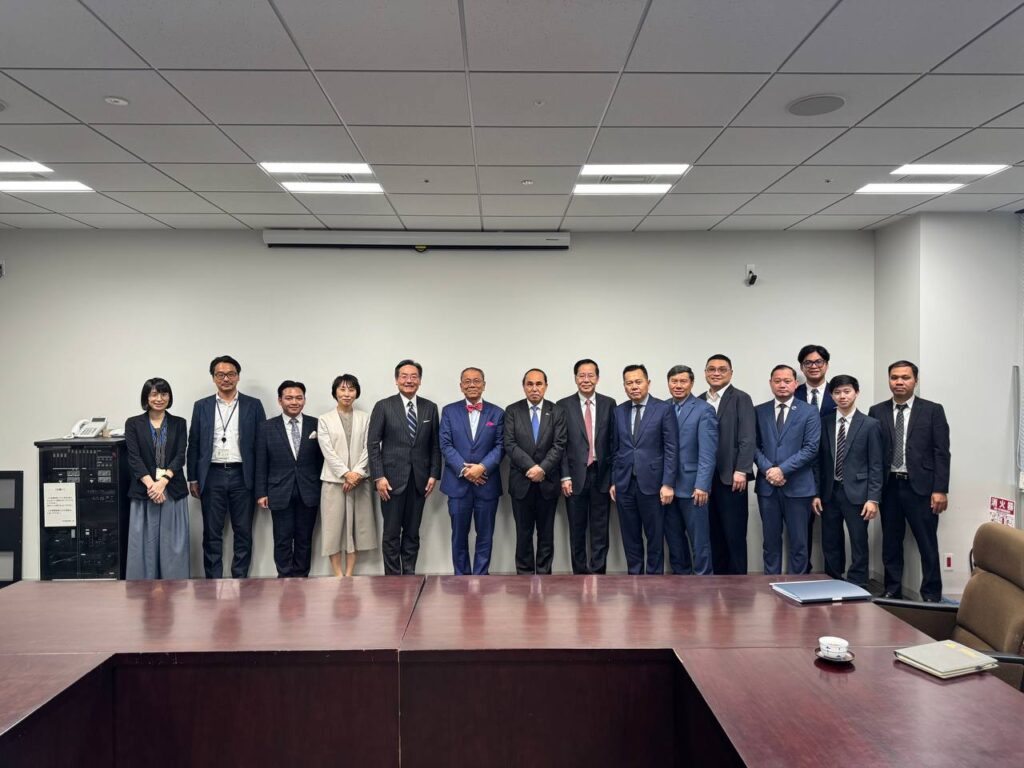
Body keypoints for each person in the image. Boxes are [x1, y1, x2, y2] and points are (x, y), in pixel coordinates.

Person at [868, 361, 950, 601]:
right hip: (889, 486)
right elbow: (873, 453)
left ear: (916, 380)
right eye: (894, 377)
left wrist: (940, 489)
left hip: (921, 488)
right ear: (889, 380)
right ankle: (892, 589)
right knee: (891, 542)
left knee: (927, 543)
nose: (899, 382)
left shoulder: (932, 410)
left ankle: (931, 594)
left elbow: (941, 452)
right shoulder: (877, 411)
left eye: (905, 377)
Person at [186, 355, 266, 579]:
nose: (226, 379)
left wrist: (261, 484)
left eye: (231, 374)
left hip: (243, 475)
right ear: (213, 378)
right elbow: (194, 443)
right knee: (212, 532)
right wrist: (193, 478)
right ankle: (213, 581)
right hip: (212, 475)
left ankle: (240, 579)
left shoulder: (253, 405)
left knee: (243, 531)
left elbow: (261, 446)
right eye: (220, 374)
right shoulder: (201, 406)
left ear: (238, 377)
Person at [368, 359, 442, 575]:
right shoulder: (384, 406)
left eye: (414, 376)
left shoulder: (430, 407)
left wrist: (434, 474)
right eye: (404, 376)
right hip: (390, 481)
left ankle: (409, 576)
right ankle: (393, 579)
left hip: (420, 480)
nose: (409, 380)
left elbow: (435, 445)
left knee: (412, 532)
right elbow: (373, 444)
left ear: (420, 380)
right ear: (396, 380)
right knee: (391, 533)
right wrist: (378, 476)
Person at [811, 375, 883, 589]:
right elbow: (818, 462)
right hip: (829, 492)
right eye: (837, 392)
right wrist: (816, 493)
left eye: (847, 391)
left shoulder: (870, 424)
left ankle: (858, 583)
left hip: (858, 493)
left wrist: (873, 498)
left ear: (856, 393)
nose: (842, 396)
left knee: (858, 541)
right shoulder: (824, 422)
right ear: (831, 395)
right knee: (830, 540)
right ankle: (833, 580)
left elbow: (876, 464)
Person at [610, 364, 677, 575]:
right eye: (629, 383)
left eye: (638, 382)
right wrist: (614, 480)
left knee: (655, 536)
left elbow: (671, 448)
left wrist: (668, 483)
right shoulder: (618, 411)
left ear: (648, 383)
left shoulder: (663, 409)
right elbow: (615, 449)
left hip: (653, 483)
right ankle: (634, 577)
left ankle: (654, 579)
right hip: (624, 483)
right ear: (624, 386)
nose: (634, 387)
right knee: (630, 535)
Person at [754, 364, 820, 575]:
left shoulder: (809, 411)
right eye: (777, 381)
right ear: (770, 383)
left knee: (799, 542)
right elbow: (753, 446)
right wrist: (769, 470)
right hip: (767, 487)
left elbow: (811, 448)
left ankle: (797, 584)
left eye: (787, 381)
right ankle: (770, 582)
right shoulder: (759, 411)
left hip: (798, 486)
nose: (782, 385)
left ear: (796, 383)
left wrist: (781, 470)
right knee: (770, 541)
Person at [439, 367, 505, 575]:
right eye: (467, 381)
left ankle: (481, 577)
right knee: (459, 535)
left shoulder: (497, 413)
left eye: (476, 381)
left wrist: (482, 468)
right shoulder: (449, 411)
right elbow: (445, 445)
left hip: (487, 483)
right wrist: (465, 470)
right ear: (461, 386)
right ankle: (461, 578)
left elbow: (501, 446)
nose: (472, 385)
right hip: (458, 485)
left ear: (484, 385)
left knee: (485, 535)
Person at [255, 380, 323, 578]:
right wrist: (261, 492)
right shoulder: (266, 427)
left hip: (309, 490)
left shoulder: (316, 424)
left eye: (299, 398)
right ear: (280, 400)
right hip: (278, 490)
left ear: (304, 400)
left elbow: (322, 460)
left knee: (304, 538)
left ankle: (301, 577)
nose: (294, 402)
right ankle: (284, 577)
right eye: (289, 398)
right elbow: (261, 461)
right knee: (282, 539)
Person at [124, 378, 190, 580]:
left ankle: (174, 588)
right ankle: (143, 588)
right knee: (144, 545)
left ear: (169, 397)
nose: (159, 399)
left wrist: (162, 482)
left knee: (173, 546)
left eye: (164, 394)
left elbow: (180, 455)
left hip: (172, 489)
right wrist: (152, 485)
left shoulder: (179, 423)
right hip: (145, 490)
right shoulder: (133, 423)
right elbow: (134, 457)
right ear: (146, 397)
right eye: (154, 394)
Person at [504, 368, 567, 575]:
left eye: (539, 384)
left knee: (546, 534)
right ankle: (524, 575)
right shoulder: (512, 411)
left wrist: (543, 468)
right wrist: (531, 467)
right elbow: (510, 444)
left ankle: (544, 574)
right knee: (523, 533)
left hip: (547, 482)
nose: (534, 388)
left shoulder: (556, 411)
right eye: (529, 384)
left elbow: (559, 444)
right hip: (521, 482)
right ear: (524, 387)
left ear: (546, 386)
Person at [556, 359, 615, 574]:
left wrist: (613, 479)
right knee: (576, 528)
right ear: (575, 378)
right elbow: (560, 444)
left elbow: (614, 442)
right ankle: (579, 573)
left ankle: (599, 572)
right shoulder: (563, 405)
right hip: (574, 476)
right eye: (582, 375)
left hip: (601, 474)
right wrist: (564, 476)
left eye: (591, 375)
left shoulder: (609, 404)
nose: (586, 380)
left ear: (597, 378)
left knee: (600, 529)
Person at [699, 355, 755, 575]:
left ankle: (738, 583)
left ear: (731, 373)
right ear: (705, 373)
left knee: (734, 533)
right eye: (711, 369)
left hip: (731, 476)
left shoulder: (741, 398)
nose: (716, 373)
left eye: (722, 369)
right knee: (711, 532)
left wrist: (742, 469)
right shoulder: (699, 399)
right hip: (704, 478)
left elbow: (748, 437)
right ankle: (717, 580)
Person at [318, 374, 376, 577]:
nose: (347, 393)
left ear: (356, 393)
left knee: (356, 529)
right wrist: (345, 474)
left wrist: (356, 473)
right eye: (342, 389)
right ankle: (338, 575)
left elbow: (370, 447)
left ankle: (349, 574)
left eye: (351, 389)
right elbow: (327, 450)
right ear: (335, 392)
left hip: (359, 481)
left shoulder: (365, 417)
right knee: (333, 530)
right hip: (334, 482)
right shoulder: (324, 419)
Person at [664, 365, 718, 575]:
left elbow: (708, 453)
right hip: (666, 487)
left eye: (683, 381)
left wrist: (702, 485)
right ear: (668, 383)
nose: (678, 385)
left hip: (693, 486)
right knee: (674, 540)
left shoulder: (704, 410)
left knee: (699, 540)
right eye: (674, 381)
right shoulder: (662, 407)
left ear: (692, 383)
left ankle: (704, 581)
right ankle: (681, 581)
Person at [794, 344, 835, 572]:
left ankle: (833, 576)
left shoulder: (838, 392)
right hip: (800, 469)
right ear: (801, 367)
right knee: (801, 529)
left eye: (818, 362)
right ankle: (803, 575)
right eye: (808, 363)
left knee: (831, 528)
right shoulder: (794, 392)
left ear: (826, 365)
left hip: (832, 469)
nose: (813, 366)